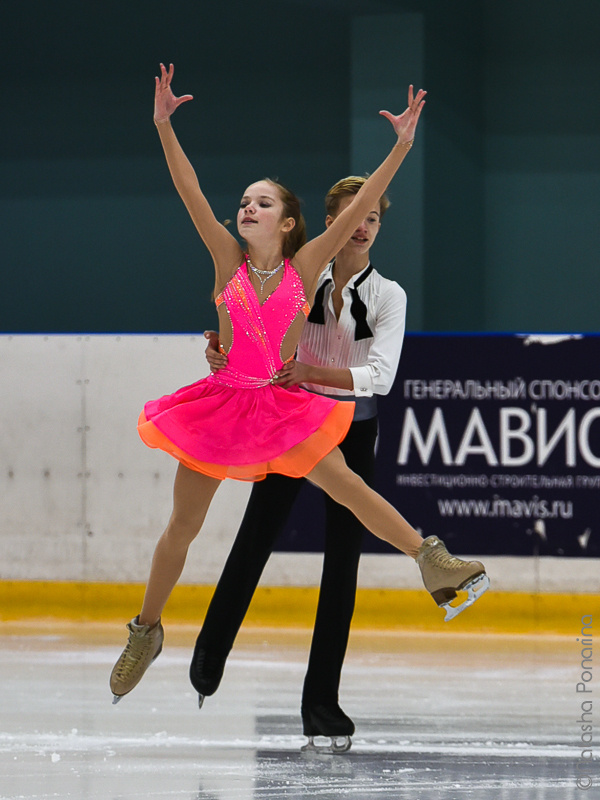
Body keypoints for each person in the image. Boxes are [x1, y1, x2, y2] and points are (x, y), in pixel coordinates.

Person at [109, 63, 489, 708]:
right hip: (224, 400)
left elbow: (363, 207)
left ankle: (432, 560)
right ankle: (146, 630)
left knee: (347, 485)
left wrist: (400, 145)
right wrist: (163, 127)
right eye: (245, 201)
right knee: (183, 525)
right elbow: (190, 192)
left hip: (281, 403)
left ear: (287, 223)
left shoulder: (305, 265)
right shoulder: (227, 259)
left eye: (262, 201)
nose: (246, 207)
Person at [195, 175, 407, 753]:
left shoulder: (389, 295)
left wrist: (316, 373)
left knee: (342, 566)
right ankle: (211, 648)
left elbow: (381, 377)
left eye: (372, 219)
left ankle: (321, 702)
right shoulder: (298, 278)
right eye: (352, 216)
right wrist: (222, 345)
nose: (361, 227)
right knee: (255, 537)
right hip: (292, 424)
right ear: (335, 223)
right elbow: (248, 326)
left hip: (355, 433)